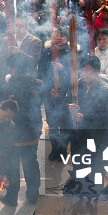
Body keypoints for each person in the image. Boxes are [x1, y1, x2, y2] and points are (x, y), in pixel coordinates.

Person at [0, 55, 42, 206]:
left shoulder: (6, 88)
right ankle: (33, 195)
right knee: (31, 164)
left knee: (12, 167)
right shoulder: (35, 86)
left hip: (13, 135)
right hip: (32, 133)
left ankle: (11, 198)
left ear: (14, 69)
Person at [67, 56, 108, 187]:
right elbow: (65, 103)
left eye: (87, 71)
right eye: (82, 70)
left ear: (97, 71)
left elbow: (106, 116)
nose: (83, 74)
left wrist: (85, 117)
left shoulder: (106, 90)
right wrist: (69, 108)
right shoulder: (77, 86)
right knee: (79, 170)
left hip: (98, 141)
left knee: (97, 174)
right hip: (80, 139)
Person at [38, 25, 72, 161]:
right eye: (56, 35)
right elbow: (41, 73)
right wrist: (49, 88)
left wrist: (63, 69)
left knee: (64, 124)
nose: (59, 38)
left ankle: (63, 149)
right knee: (52, 125)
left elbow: (77, 74)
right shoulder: (47, 52)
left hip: (65, 95)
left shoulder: (72, 52)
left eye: (62, 35)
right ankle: (55, 148)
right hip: (50, 94)